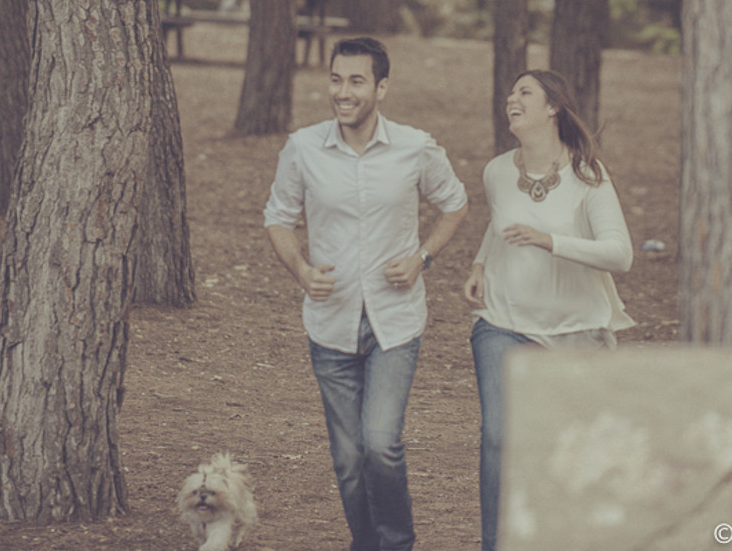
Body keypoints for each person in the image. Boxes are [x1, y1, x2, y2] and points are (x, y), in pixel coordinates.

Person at [264, 36, 469, 551]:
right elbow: (279, 218)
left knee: (381, 444)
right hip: (330, 321)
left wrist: (423, 258)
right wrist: (301, 269)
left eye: (356, 81)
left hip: (394, 322)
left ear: (381, 87)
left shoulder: (415, 147)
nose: (343, 92)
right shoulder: (304, 148)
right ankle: (366, 544)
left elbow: (455, 204)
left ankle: (397, 543)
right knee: (349, 459)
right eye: (336, 79)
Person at [462, 69, 634, 551]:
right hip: (502, 323)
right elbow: (499, 224)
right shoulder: (497, 170)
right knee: (498, 437)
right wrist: (479, 264)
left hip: (576, 331)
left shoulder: (588, 178)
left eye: (524, 92)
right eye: (511, 91)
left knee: (570, 450)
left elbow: (620, 255)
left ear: (552, 108)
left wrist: (550, 241)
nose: (511, 98)